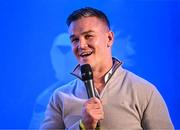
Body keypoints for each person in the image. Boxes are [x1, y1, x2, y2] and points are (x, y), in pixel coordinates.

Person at [40, 7, 174, 129]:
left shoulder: (144, 91)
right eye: (74, 39)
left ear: (109, 38)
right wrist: (83, 126)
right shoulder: (60, 97)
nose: (81, 45)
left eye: (88, 36)